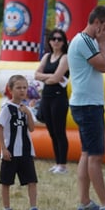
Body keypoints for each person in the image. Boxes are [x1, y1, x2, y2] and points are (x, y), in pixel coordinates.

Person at [68, 4, 105, 210]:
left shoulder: (83, 41)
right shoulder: (86, 41)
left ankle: (84, 200)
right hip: (88, 105)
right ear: (97, 22)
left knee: (87, 153)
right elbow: (104, 66)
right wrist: (103, 42)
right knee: (95, 156)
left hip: (85, 103)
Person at [0, 75, 45, 210]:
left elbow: (31, 128)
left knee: (32, 180)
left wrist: (29, 113)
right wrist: (3, 149)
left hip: (26, 151)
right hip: (11, 152)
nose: (22, 90)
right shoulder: (6, 108)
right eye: (18, 87)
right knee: (6, 181)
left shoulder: (26, 108)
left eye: (24, 87)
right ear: (10, 90)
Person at [33, 28, 70, 174]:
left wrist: (48, 77)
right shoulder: (47, 56)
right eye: (53, 38)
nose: (56, 41)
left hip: (58, 97)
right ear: (49, 41)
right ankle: (57, 162)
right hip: (46, 96)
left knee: (59, 131)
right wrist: (50, 76)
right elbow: (36, 75)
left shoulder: (65, 58)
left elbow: (56, 78)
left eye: (59, 39)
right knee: (52, 131)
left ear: (63, 42)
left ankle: (63, 164)